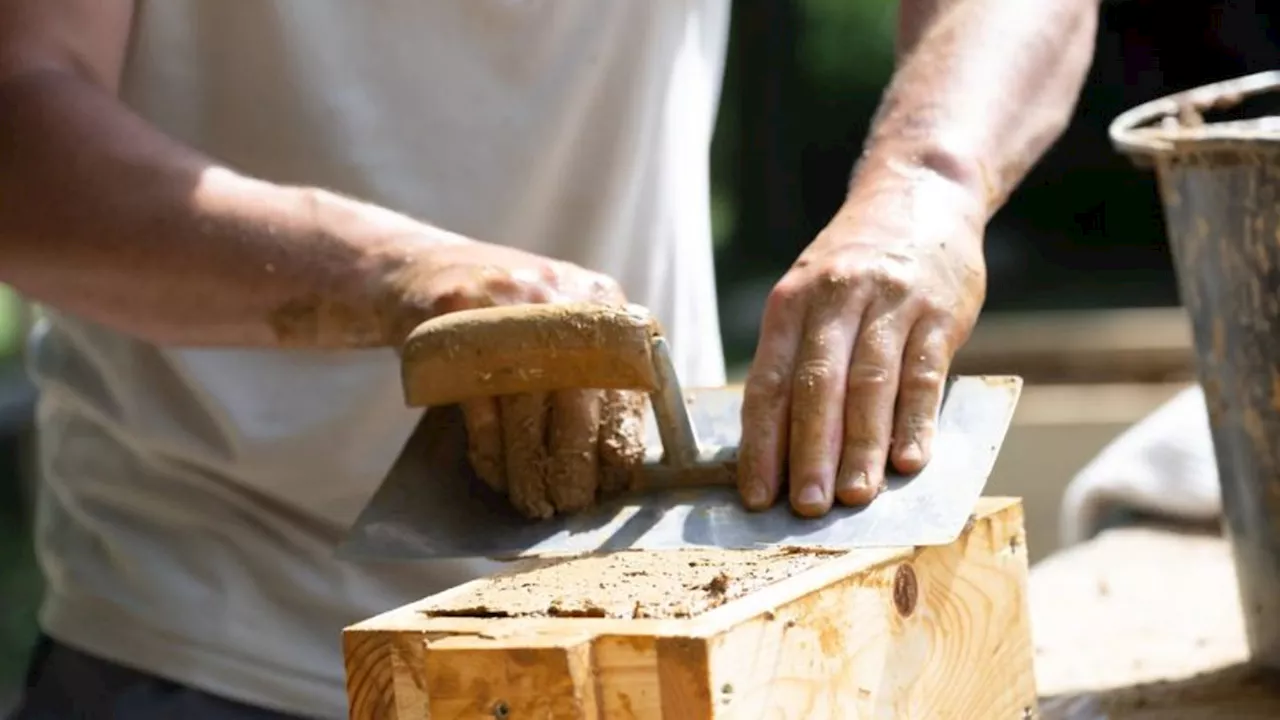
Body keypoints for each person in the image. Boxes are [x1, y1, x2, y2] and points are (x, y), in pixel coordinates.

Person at [0, 0, 1100, 717]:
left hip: (646, 627)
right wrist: (399, 275)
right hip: (209, 625)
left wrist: (926, 184)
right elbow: (20, 122)